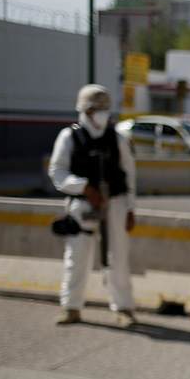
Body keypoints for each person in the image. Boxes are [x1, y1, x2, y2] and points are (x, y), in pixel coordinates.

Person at [48, 84, 137, 327]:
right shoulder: (69, 137)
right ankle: (71, 307)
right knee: (76, 257)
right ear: (86, 111)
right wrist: (84, 187)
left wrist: (130, 208)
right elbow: (57, 172)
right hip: (82, 207)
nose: (102, 114)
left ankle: (123, 308)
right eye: (97, 109)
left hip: (115, 205)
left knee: (118, 257)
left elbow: (129, 174)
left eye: (105, 109)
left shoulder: (116, 138)